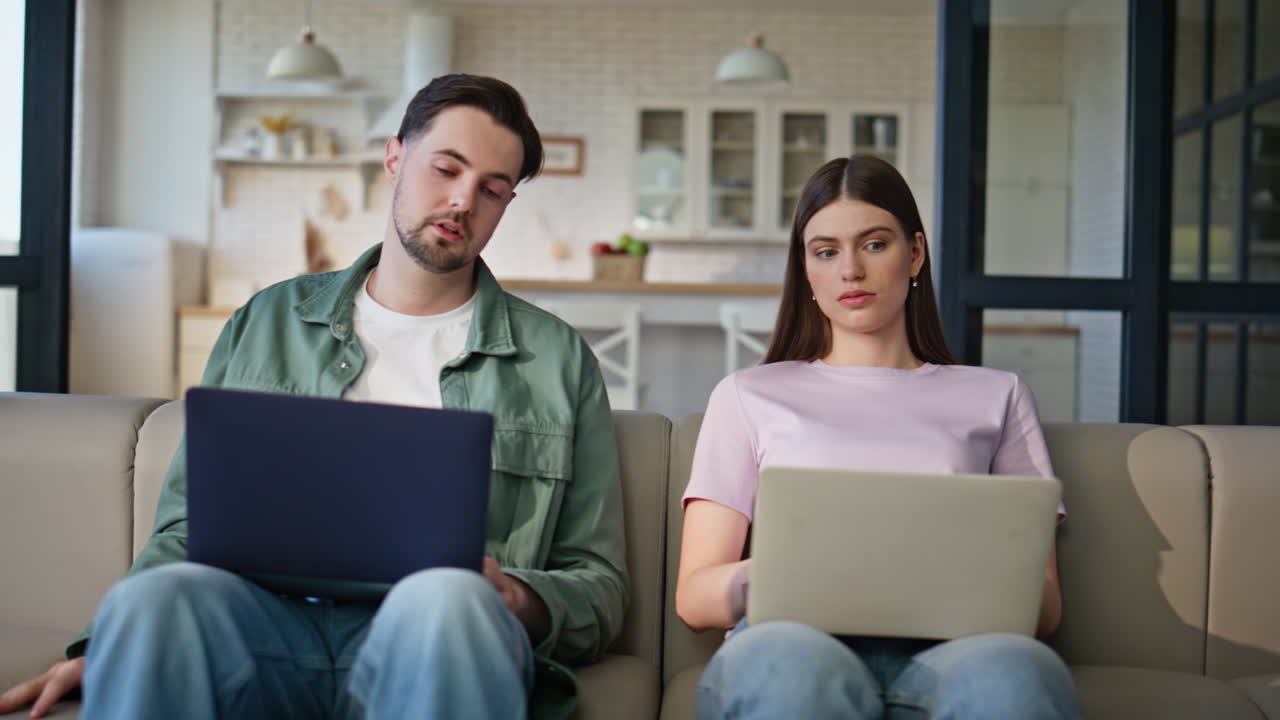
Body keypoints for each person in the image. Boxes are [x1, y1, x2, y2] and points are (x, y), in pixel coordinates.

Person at [0, 74, 628, 720]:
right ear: (395, 157)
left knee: (448, 600)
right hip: (264, 628)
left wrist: (517, 596)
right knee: (149, 604)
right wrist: (109, 648)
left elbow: (600, 584)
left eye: (492, 190)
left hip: (433, 639)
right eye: (446, 169)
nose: (462, 200)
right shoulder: (267, 322)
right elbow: (186, 525)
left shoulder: (557, 360)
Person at [675, 154, 1082, 719]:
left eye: (873, 244)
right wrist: (785, 574)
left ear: (914, 253)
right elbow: (694, 598)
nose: (850, 270)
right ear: (806, 269)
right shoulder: (747, 394)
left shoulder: (999, 394)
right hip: (794, 643)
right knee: (790, 673)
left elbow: (1045, 606)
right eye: (826, 251)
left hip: (959, 651)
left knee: (1016, 675)